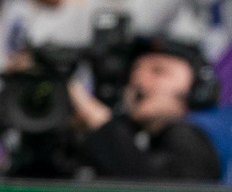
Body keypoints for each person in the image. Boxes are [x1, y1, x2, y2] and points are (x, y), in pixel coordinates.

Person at [70, 39, 222, 181]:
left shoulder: (189, 139)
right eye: (135, 70)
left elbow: (153, 185)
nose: (139, 80)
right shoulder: (132, 135)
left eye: (159, 71)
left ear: (195, 89)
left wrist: (102, 125)